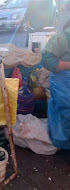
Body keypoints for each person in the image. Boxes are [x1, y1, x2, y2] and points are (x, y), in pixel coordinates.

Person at [41, 20, 70, 156]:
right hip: (64, 81)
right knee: (65, 111)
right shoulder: (61, 38)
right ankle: (63, 143)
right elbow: (47, 59)